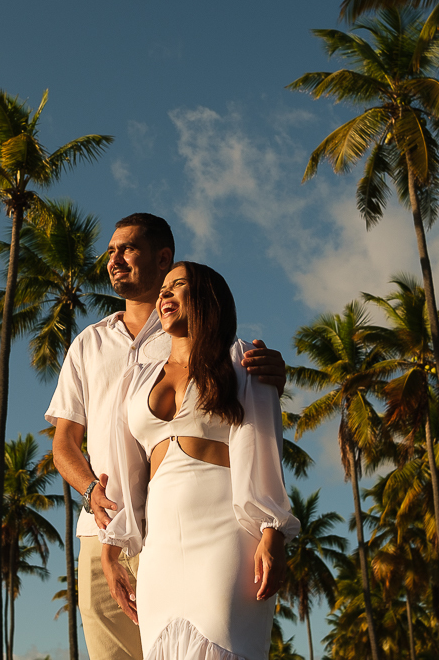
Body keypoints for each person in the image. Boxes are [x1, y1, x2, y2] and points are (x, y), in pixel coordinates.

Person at [45, 214, 286, 660]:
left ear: (163, 257)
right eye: (111, 251)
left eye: (127, 249)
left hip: (216, 524)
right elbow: (64, 444)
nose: (114, 259)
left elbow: (256, 432)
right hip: (114, 528)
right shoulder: (89, 344)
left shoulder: (230, 353)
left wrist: (271, 525)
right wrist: (94, 499)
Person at [98, 261, 298, 660]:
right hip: (160, 548)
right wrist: (110, 556)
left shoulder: (242, 361)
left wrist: (272, 534)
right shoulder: (136, 378)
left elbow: (263, 452)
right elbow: (125, 472)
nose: (164, 294)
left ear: (207, 298)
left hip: (227, 538)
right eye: (163, 289)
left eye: (178, 286)